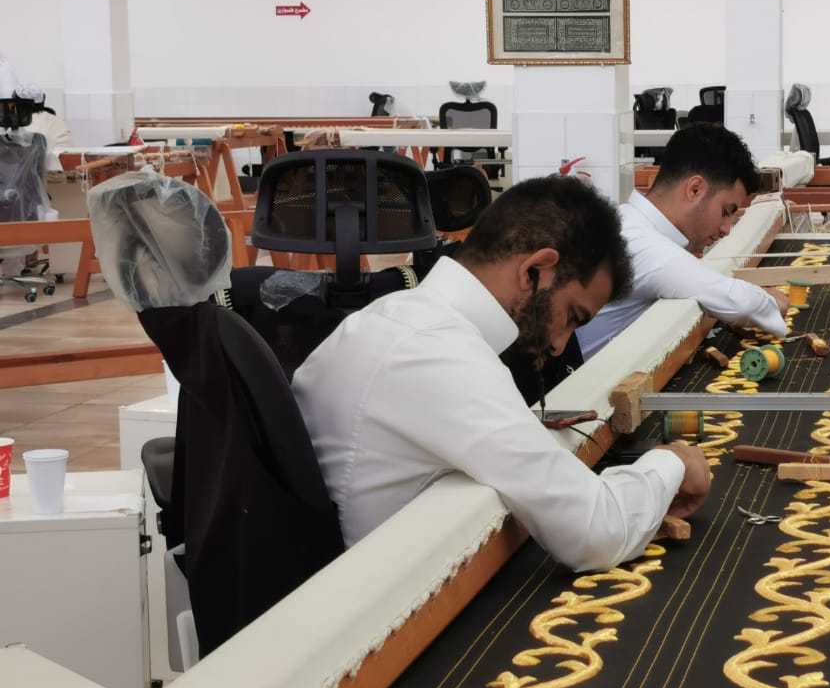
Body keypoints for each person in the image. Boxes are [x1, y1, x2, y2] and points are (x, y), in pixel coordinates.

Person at [292, 175, 711, 571]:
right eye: (571, 316)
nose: (560, 345)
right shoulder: (443, 355)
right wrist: (672, 464)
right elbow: (598, 531)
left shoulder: (387, 318)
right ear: (535, 270)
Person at [575, 123, 790, 361]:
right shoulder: (645, 245)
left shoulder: (627, 220)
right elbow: (741, 303)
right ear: (695, 189)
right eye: (726, 211)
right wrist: (774, 301)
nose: (727, 229)